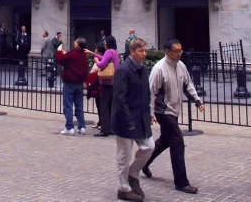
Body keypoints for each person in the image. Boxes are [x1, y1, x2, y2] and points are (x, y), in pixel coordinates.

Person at [142, 38, 205, 194]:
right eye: (176, 51)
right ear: (167, 51)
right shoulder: (159, 69)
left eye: (180, 50)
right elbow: (151, 92)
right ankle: (181, 182)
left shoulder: (181, 66)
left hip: (174, 109)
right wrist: (150, 113)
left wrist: (197, 100)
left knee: (165, 140)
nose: (180, 53)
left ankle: (143, 162)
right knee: (177, 141)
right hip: (163, 111)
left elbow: (188, 84)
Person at [111, 38, 155, 202]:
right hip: (125, 120)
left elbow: (146, 93)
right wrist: (128, 121)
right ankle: (123, 188)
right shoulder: (123, 70)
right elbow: (119, 99)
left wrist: (149, 113)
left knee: (149, 147)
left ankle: (133, 174)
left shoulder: (143, 69)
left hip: (141, 118)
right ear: (132, 52)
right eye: (141, 51)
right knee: (124, 156)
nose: (144, 54)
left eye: (145, 50)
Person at [86, 35, 120, 137]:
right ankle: (111, 128)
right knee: (110, 106)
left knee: (104, 106)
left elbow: (101, 64)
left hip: (106, 82)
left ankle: (104, 130)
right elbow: (104, 58)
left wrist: (96, 61)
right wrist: (93, 53)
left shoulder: (108, 52)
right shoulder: (114, 53)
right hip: (113, 82)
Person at [55, 38, 89, 135]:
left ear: (77, 44)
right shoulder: (83, 55)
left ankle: (69, 127)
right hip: (79, 83)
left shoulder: (74, 53)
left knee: (68, 105)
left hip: (70, 82)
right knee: (79, 106)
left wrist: (58, 51)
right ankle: (82, 126)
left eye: (75, 42)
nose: (74, 43)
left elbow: (61, 59)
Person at [86, 42, 105, 129]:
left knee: (102, 105)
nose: (95, 51)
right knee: (98, 104)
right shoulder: (97, 60)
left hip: (100, 86)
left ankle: (103, 122)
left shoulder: (101, 60)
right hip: (97, 86)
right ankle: (100, 121)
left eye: (96, 49)